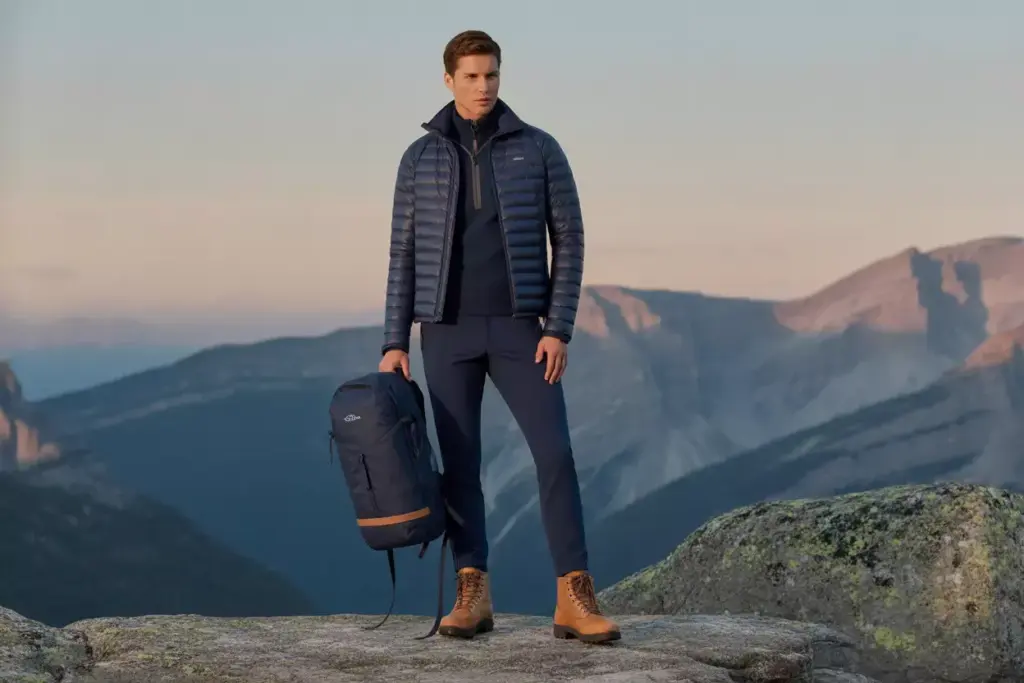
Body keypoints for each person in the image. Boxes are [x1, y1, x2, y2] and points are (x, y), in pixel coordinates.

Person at [378, 29, 619, 644]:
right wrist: (394, 340)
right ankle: (473, 591)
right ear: (449, 80)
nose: (483, 87)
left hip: (521, 330)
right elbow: (402, 253)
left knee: (555, 455)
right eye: (471, 76)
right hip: (445, 332)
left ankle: (574, 594)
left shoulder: (538, 149)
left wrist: (558, 327)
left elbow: (570, 239)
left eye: (491, 76)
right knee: (460, 464)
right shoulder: (419, 158)